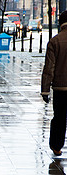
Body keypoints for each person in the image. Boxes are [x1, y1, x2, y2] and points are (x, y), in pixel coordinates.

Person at [41, 10, 67, 156]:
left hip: (60, 88)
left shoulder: (55, 41)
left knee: (59, 118)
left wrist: (45, 90)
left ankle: (56, 146)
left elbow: (49, 68)